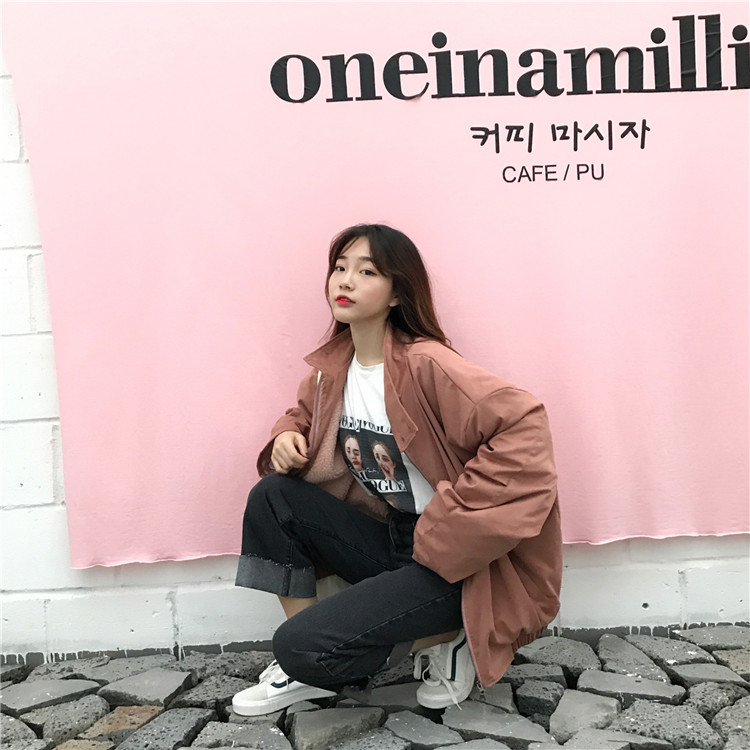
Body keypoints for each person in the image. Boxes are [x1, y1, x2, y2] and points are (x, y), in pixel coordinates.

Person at [233, 223, 562, 716]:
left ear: (396, 293)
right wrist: (286, 434)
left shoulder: (426, 363)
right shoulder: (332, 370)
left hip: (451, 562)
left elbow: (524, 424)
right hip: (388, 538)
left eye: (367, 272)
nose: (346, 281)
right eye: (339, 268)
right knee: (273, 496)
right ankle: (311, 667)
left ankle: (451, 634)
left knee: (299, 647)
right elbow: (305, 414)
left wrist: (455, 526)